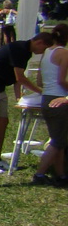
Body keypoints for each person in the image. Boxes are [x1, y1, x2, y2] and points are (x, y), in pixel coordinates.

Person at [0, 32, 52, 174]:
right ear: (39, 42)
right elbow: (21, 78)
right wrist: (41, 92)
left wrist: (19, 98)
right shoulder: (19, 49)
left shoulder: (26, 52)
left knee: (3, 121)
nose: (42, 53)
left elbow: (16, 79)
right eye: (44, 49)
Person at [33, 23, 68, 185]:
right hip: (59, 98)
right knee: (57, 142)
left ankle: (60, 174)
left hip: (46, 97)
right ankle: (40, 174)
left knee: (58, 139)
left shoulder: (46, 52)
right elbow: (62, 80)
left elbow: (39, 80)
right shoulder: (64, 53)